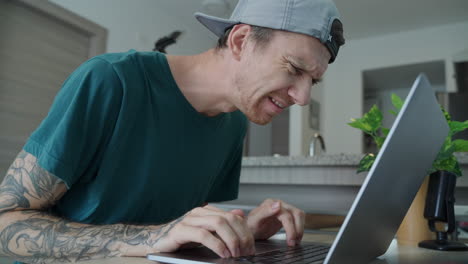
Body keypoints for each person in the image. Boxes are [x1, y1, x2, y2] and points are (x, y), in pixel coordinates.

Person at [0, 0, 345, 262]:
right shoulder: (111, 80)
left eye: (312, 81)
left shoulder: (236, 121)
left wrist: (238, 229)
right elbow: (6, 221)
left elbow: (175, 228)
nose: (302, 97)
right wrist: (147, 239)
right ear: (241, 41)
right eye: (294, 68)